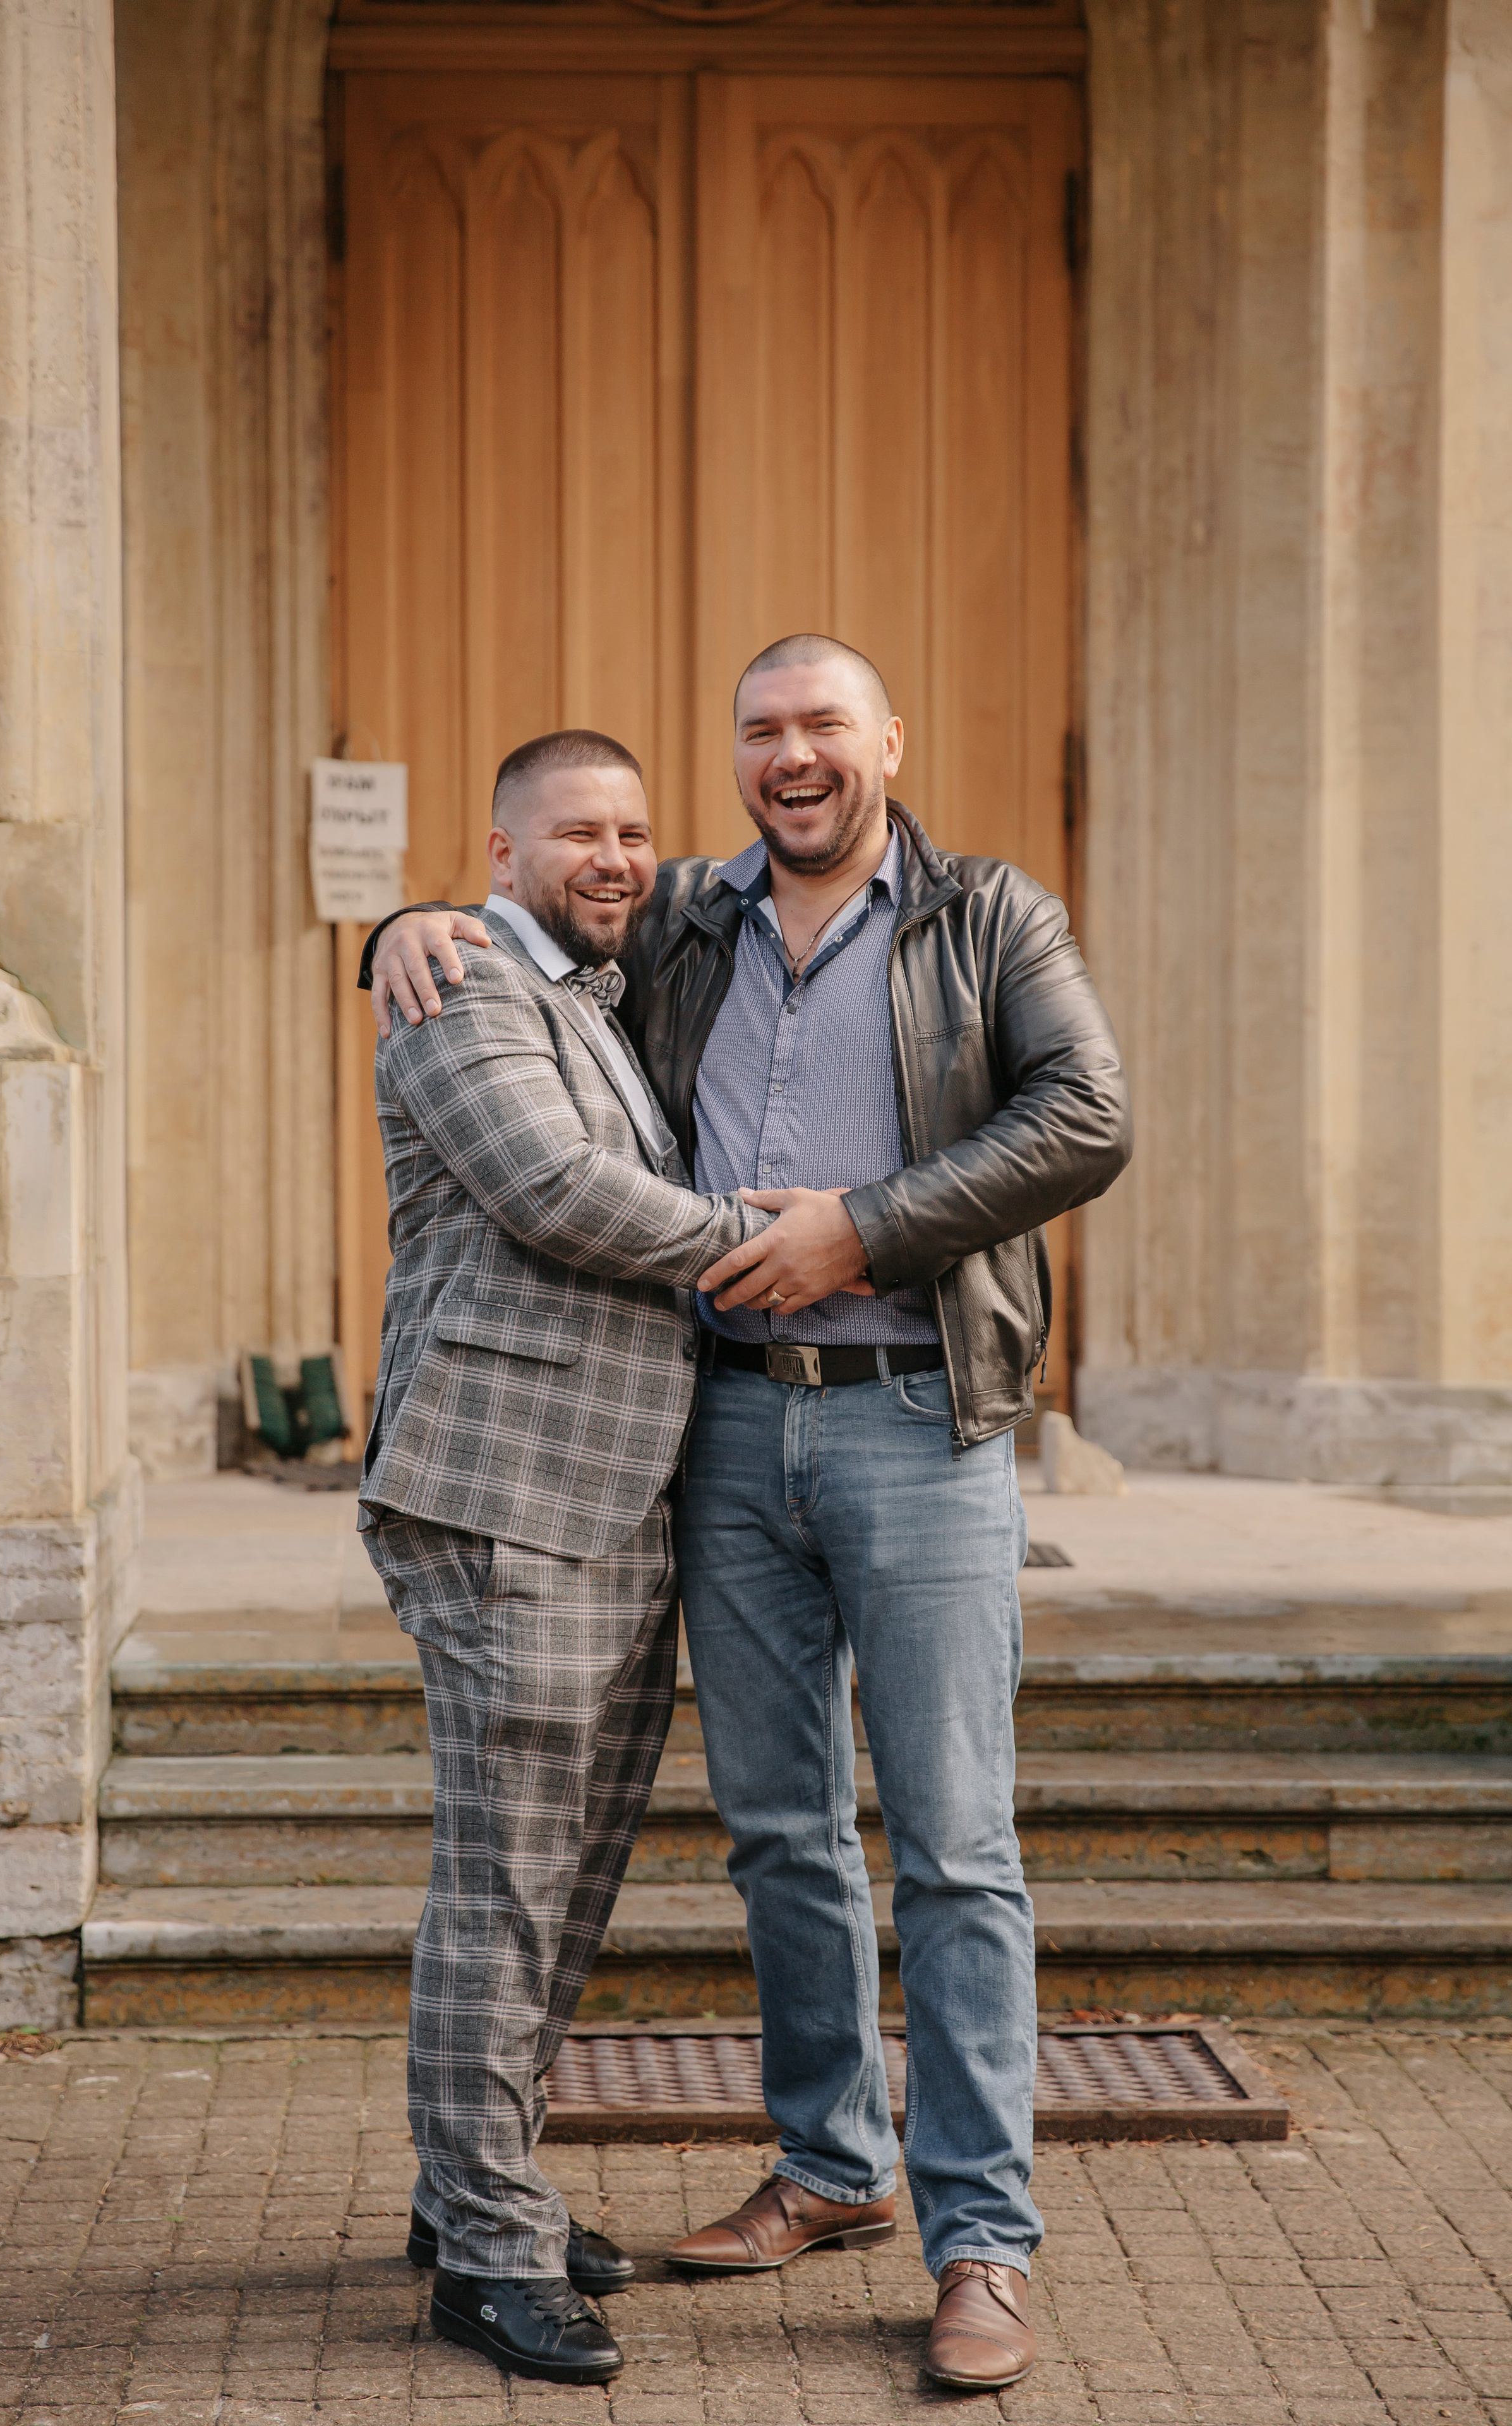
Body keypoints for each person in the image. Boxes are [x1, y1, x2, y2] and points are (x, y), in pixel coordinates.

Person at [364, 637, 1132, 2393]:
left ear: (888, 741)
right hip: (716, 1431)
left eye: (824, 726)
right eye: (762, 731)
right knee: (780, 1832)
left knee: (954, 1847)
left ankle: (982, 2242)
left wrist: (864, 1227)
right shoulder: (689, 918)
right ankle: (830, 2163)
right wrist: (407, 922)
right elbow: (533, 938)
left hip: (918, 1420)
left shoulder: (988, 917)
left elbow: (1087, 1117)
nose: (793, 756)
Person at [359, 725, 842, 2389]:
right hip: (503, 1492)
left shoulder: (602, 988)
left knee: (567, 1877)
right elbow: (555, 1193)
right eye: (577, 833)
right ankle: (488, 2260)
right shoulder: (461, 988)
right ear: (500, 854)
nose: (617, 859)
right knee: (506, 1879)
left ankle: (472, 2186)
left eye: (634, 831)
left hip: (622, 1497)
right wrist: (774, 1242)